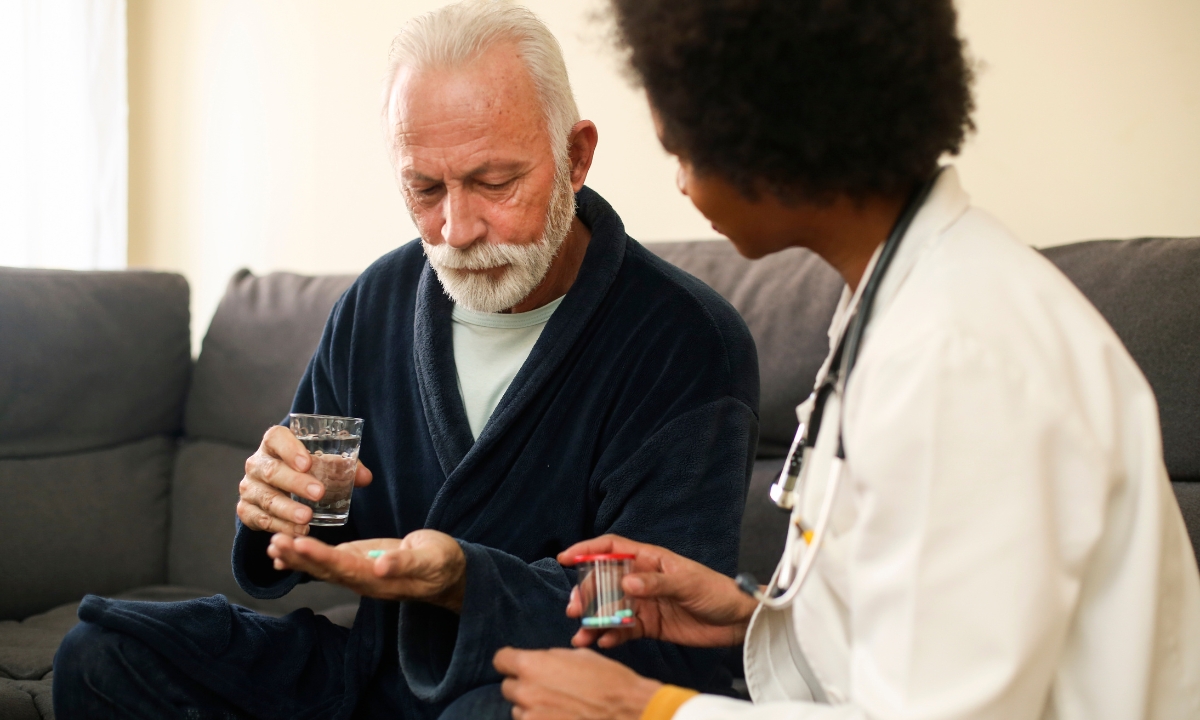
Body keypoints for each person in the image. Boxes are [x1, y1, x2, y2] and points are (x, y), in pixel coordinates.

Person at [494, 1, 1200, 718]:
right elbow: (916, 622)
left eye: (683, 151)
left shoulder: (957, 356)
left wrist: (649, 710)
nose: (678, 181)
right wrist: (749, 620)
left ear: (771, 140)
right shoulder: (900, 299)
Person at [52, 3, 760, 718]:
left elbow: (653, 622)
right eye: (424, 189)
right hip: (368, 676)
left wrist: (464, 581)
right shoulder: (380, 300)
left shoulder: (683, 339)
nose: (456, 230)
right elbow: (320, 517)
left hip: (531, 688)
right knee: (102, 653)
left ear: (575, 157)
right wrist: (284, 505)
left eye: (494, 182)